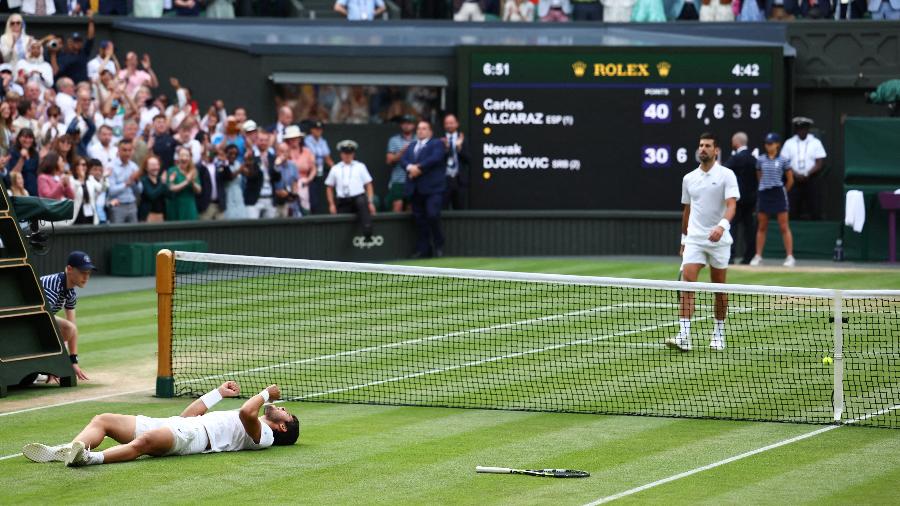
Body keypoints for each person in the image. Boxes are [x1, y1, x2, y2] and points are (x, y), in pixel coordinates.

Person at [22, 381, 299, 466]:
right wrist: (217, 394)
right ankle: (66, 449)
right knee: (104, 420)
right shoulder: (260, 424)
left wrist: (265, 395)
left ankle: (89, 458)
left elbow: (246, 413)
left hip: (195, 440)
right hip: (181, 425)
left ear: (282, 428)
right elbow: (188, 416)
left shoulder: (265, 436)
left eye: (287, 413)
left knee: (142, 444)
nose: (283, 408)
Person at [666, 132, 740, 352]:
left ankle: (718, 333)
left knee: (719, 289)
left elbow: (731, 205)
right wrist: (684, 239)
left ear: (716, 150)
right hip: (695, 240)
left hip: (720, 240)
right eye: (700, 145)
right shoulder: (689, 178)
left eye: (708, 145)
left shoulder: (727, 175)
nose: (703, 149)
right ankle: (684, 336)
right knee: (688, 284)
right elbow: (687, 210)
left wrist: (721, 226)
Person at [38, 251, 94, 383]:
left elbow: (73, 328)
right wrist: (54, 364)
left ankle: (44, 367)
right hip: (20, 320)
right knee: (66, 328)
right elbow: (42, 322)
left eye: (88, 273)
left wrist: (73, 361)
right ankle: (41, 368)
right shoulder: (53, 286)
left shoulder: (71, 292)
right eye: (82, 272)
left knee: (69, 328)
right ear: (69, 269)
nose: (86, 277)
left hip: (36, 320)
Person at [401, 120, 447, 258]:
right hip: (415, 190)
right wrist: (410, 168)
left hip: (433, 189)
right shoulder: (412, 145)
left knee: (432, 215)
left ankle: (439, 244)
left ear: (430, 131)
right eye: (419, 128)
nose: (420, 131)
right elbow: (403, 160)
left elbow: (436, 158)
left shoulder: (437, 144)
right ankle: (424, 249)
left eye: (424, 128)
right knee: (420, 220)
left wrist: (419, 168)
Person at [750, 133, 795, 267]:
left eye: (770, 143)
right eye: (766, 143)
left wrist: (782, 191)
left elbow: (790, 180)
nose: (768, 146)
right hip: (764, 194)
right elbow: (759, 176)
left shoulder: (784, 160)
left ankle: (790, 257)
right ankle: (758, 256)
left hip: (778, 194)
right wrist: (764, 187)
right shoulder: (760, 159)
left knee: (784, 227)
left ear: (777, 145)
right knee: (762, 226)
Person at [326, 140, 376, 240]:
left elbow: (369, 185)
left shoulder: (360, 166)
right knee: (341, 220)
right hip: (343, 201)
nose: (347, 156)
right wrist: (331, 204)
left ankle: (368, 233)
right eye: (345, 153)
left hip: (358, 198)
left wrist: (370, 202)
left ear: (353, 154)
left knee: (362, 202)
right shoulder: (335, 168)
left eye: (350, 153)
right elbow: (329, 187)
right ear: (341, 154)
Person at [781, 117, 826, 221]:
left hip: (811, 178)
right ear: (796, 130)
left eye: (804, 128)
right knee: (792, 207)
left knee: (814, 206)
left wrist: (807, 173)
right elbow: (784, 162)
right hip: (793, 178)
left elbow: (819, 162)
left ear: (808, 129)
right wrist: (795, 174)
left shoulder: (815, 142)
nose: (801, 131)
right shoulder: (789, 143)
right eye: (799, 129)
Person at [724, 132, 757, 265]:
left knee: (732, 228)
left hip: (737, 200)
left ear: (736, 142)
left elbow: (723, 171)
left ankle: (730, 257)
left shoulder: (736, 158)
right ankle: (749, 257)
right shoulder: (753, 159)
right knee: (749, 229)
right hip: (751, 200)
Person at [49, 14, 95, 85]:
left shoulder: (84, 53)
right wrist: (53, 53)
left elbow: (90, 38)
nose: (77, 43)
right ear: (69, 42)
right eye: (75, 41)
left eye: (79, 41)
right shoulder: (64, 56)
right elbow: (55, 71)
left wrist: (91, 21)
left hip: (83, 85)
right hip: (70, 87)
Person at [243, 131, 279, 219]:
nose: (263, 142)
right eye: (261, 140)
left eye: (266, 140)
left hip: (270, 198)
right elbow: (250, 176)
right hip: (254, 199)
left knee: (270, 230)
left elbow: (277, 178)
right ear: (256, 141)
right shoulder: (251, 156)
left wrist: (274, 168)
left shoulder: (272, 157)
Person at [385, 114, 416, 212]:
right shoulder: (394, 140)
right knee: (397, 205)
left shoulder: (418, 140)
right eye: (404, 123)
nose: (406, 125)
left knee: (411, 206)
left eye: (409, 123)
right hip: (398, 179)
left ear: (413, 125)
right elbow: (389, 160)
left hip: (414, 179)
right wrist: (402, 152)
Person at [305, 120, 333, 214]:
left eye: (320, 129)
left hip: (320, 171)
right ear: (312, 130)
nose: (319, 131)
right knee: (312, 198)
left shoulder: (323, 141)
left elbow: (327, 158)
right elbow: (311, 157)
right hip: (309, 172)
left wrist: (336, 169)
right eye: (316, 129)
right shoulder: (307, 140)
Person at [165, 146, 200, 221]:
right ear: (178, 158)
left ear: (190, 158)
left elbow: (199, 190)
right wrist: (187, 182)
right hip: (175, 206)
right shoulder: (172, 170)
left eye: (187, 155)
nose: (184, 158)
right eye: (182, 155)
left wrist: (193, 182)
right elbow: (171, 188)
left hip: (189, 207)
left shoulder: (193, 171)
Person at [442, 113, 468, 210]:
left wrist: (459, 148)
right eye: (447, 123)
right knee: (442, 209)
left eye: (451, 123)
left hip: (459, 180)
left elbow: (468, 159)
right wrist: (446, 149)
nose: (449, 125)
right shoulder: (440, 139)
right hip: (444, 180)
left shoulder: (463, 139)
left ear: (457, 124)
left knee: (460, 208)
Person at [217, 144, 248, 220]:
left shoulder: (238, 163)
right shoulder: (221, 164)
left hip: (238, 195)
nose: (233, 156)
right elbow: (229, 177)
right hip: (227, 195)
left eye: (235, 154)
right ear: (226, 153)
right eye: (230, 153)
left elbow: (248, 174)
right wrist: (239, 170)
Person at [139, 155, 168, 222]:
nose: (155, 167)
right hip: (148, 215)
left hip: (161, 215)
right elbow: (152, 195)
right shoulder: (144, 180)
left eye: (157, 165)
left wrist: (170, 183)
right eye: (152, 165)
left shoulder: (160, 180)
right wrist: (163, 184)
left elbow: (170, 195)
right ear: (146, 167)